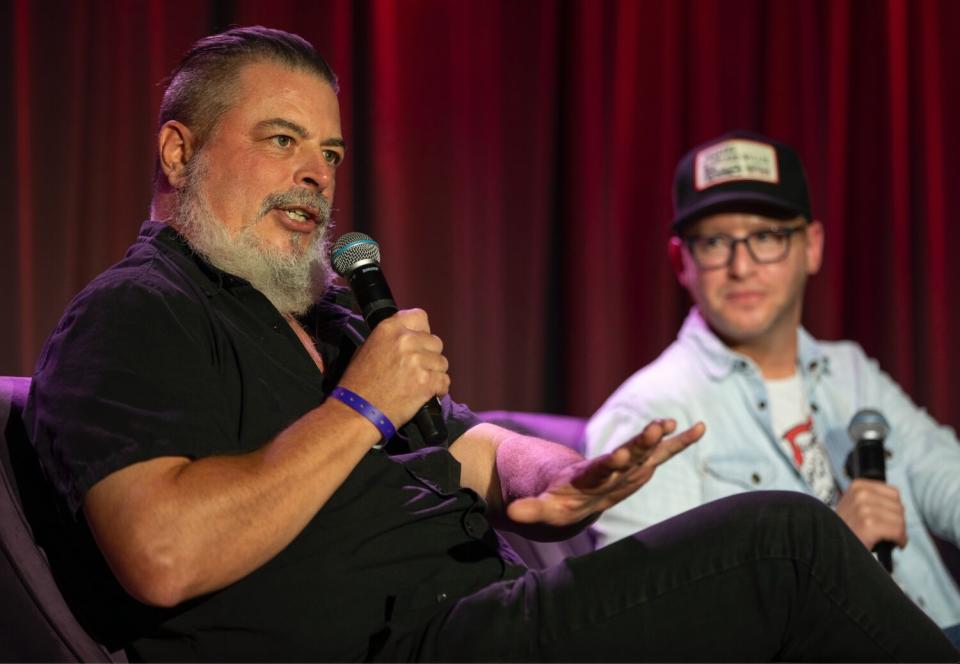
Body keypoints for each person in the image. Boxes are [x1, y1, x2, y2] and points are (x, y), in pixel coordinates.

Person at [23, 28, 956, 661]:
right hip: (414, 649)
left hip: (485, 620)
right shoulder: (134, 315)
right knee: (786, 542)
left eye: (332, 153)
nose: (315, 174)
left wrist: (555, 476)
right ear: (179, 153)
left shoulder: (329, 319)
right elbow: (162, 553)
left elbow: (473, 446)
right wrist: (358, 410)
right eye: (281, 140)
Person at [585, 129, 960, 646]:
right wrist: (827, 554)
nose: (742, 267)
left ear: (811, 247)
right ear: (682, 262)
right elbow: (648, 626)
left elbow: (946, 475)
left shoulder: (849, 370)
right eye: (715, 242)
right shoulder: (650, 412)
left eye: (767, 237)